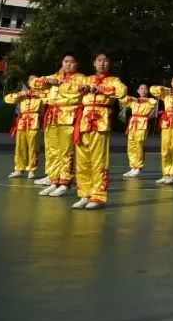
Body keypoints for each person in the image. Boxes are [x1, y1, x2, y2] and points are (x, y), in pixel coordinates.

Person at [70, 52, 127, 209]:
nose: (102, 63)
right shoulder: (86, 79)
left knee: (98, 160)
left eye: (105, 60)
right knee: (82, 161)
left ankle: (98, 196)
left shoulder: (114, 80)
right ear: (94, 63)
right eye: (99, 60)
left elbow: (122, 91)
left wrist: (100, 89)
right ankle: (84, 194)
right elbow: (68, 88)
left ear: (109, 64)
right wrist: (83, 87)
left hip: (101, 121)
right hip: (83, 121)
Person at [31, 54, 86, 197]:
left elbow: (79, 90)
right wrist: (47, 80)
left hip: (68, 116)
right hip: (52, 116)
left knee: (66, 151)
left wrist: (60, 84)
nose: (68, 64)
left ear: (77, 64)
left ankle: (65, 182)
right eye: (65, 61)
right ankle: (54, 180)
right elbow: (33, 82)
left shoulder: (81, 78)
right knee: (52, 151)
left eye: (72, 62)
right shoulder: (56, 76)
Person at [4, 76, 44, 179]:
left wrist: (38, 94)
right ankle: (19, 168)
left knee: (33, 147)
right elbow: (7, 99)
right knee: (19, 146)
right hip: (22, 122)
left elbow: (49, 99)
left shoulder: (43, 92)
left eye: (35, 80)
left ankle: (32, 169)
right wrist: (21, 94)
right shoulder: (23, 93)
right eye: (31, 80)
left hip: (35, 121)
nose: (33, 81)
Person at [120, 84, 157, 178]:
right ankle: (133, 167)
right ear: (138, 91)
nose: (143, 90)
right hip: (133, 124)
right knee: (131, 145)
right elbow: (122, 100)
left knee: (139, 145)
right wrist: (132, 98)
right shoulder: (134, 101)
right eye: (141, 89)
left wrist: (140, 100)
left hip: (142, 123)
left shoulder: (149, 101)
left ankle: (138, 167)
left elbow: (154, 102)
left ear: (148, 91)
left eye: (145, 89)